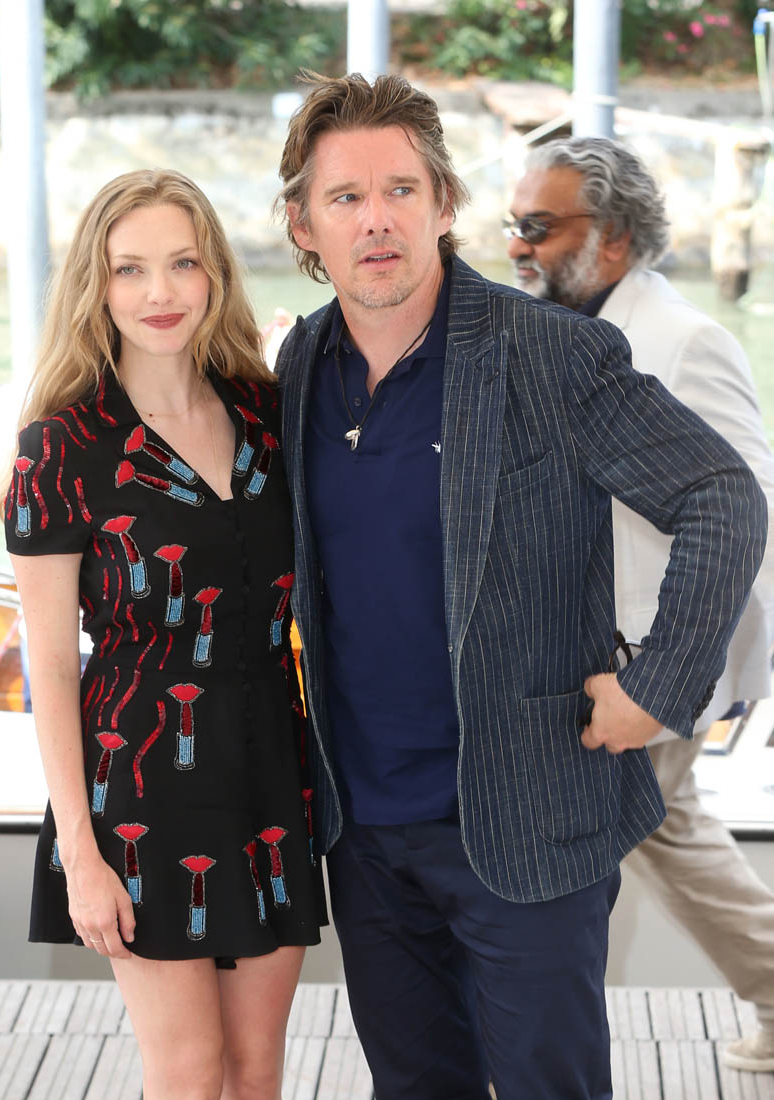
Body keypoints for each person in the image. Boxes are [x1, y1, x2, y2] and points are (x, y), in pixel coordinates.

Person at [271, 72, 767, 1100]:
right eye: (345, 197)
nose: (376, 220)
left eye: (400, 190)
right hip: (363, 829)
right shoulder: (301, 362)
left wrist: (657, 686)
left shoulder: (552, 353)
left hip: (528, 816)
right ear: (303, 225)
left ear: (444, 205)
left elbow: (722, 496)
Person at [0, 169, 326, 1100]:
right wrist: (80, 852)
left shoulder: (268, 411)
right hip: (139, 788)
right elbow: (50, 666)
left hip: (271, 772)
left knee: (255, 1069)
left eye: (183, 263)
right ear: (95, 286)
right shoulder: (60, 448)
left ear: (214, 272)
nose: (160, 292)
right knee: (187, 1070)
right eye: (130, 269)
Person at [507, 135, 774, 1075]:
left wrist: (671, 681)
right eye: (513, 224)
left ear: (612, 238)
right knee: (667, 835)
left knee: (586, 859)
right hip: (586, 661)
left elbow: (744, 511)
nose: (515, 246)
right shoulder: (556, 328)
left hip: (643, 668)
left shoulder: (685, 342)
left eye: (537, 227)